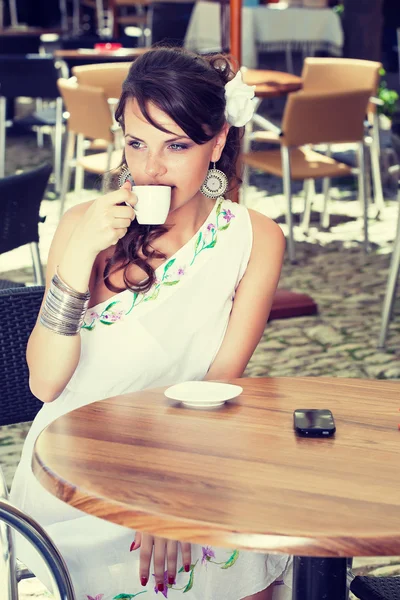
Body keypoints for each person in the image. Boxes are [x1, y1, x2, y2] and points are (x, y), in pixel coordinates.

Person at [10, 47, 290, 600]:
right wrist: (78, 258)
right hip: (72, 470)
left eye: (177, 145)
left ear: (216, 145)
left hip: (187, 454)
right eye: (136, 142)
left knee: (243, 563)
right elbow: (45, 383)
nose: (150, 168)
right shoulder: (79, 225)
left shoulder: (256, 239)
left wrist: (169, 490)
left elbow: (219, 380)